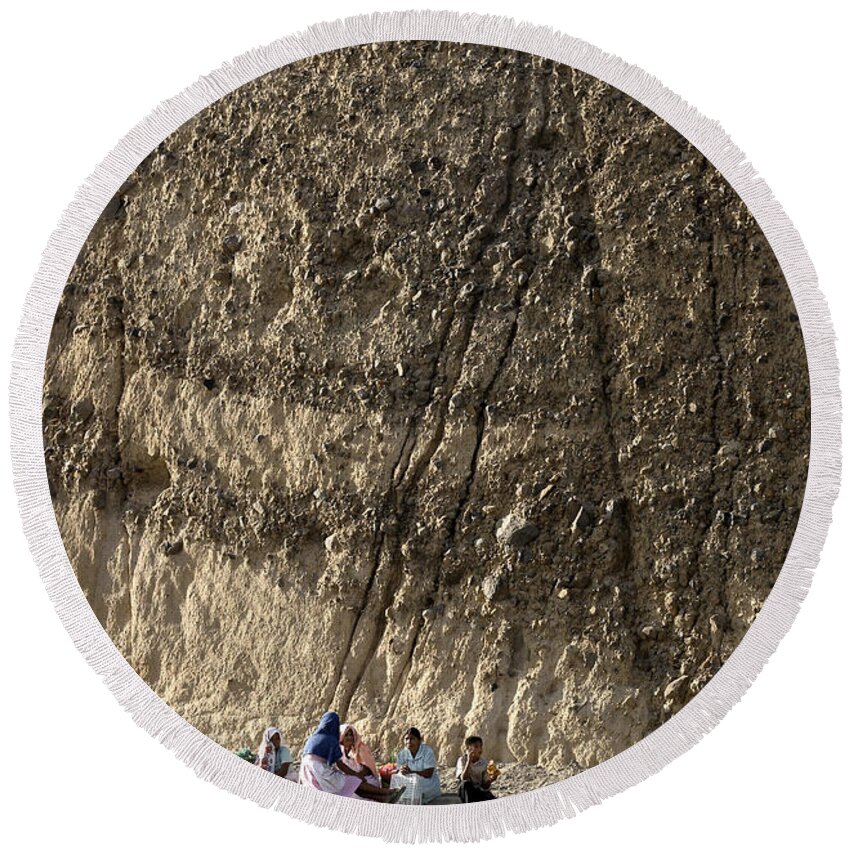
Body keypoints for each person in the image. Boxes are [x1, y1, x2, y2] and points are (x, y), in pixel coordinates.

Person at [299, 711, 403, 802]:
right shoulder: (331, 739)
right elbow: (340, 765)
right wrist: (356, 775)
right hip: (320, 771)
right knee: (352, 782)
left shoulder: (314, 737)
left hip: (308, 770)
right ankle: (386, 793)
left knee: (352, 784)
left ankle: (384, 797)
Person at [395, 727, 442, 804]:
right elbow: (398, 770)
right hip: (410, 783)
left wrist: (411, 772)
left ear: (419, 741)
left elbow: (428, 773)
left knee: (416, 784)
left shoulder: (427, 751)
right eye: (406, 739)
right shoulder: (402, 754)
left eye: (412, 739)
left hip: (427, 784)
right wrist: (401, 770)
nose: (409, 741)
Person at [455, 735, 497, 803]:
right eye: (476, 747)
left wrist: (491, 779)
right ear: (469, 748)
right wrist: (469, 761)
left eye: (481, 746)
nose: (480, 749)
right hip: (465, 791)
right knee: (466, 784)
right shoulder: (462, 760)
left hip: (478, 790)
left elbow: (484, 786)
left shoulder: (484, 762)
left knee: (492, 799)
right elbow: (463, 778)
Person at [340, 722, 381, 788]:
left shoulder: (361, 748)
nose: (349, 737)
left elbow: (368, 768)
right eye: (346, 735)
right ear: (341, 736)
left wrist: (358, 776)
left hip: (365, 779)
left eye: (351, 735)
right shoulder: (339, 751)